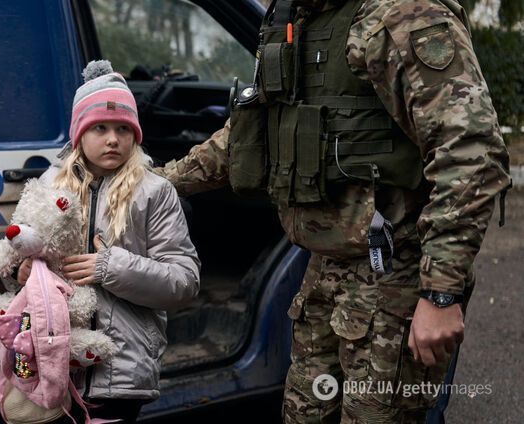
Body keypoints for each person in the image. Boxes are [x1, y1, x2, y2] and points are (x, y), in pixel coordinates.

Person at [157, 0, 510, 422]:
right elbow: (252, 132)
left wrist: (440, 292)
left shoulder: (401, 15)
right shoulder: (299, 20)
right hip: (325, 273)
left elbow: (471, 151)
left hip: (396, 278)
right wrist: (157, 183)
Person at [17, 59, 201, 423]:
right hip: (51, 362)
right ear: (79, 134)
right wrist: (21, 272)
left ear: (135, 134)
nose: (113, 138)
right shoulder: (49, 185)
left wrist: (110, 266)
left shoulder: (154, 192)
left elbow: (184, 282)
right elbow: (22, 249)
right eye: (99, 127)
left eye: (123, 128)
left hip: (119, 371)